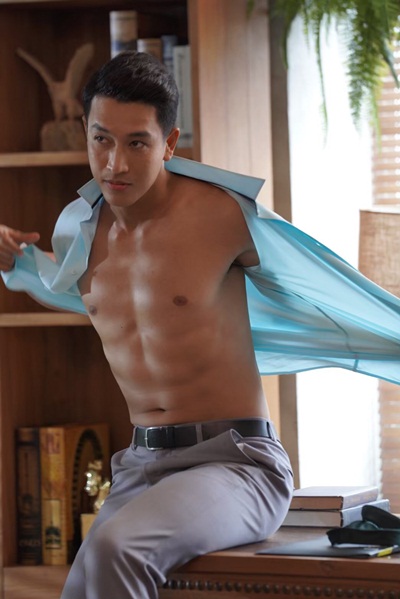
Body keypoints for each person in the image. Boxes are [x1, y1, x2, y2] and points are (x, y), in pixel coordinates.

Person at [0, 51, 399, 599]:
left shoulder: (222, 214)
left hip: (237, 464)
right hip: (139, 467)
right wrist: (17, 263)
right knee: (82, 581)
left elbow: (327, 283)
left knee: (116, 548)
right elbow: (67, 291)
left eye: (137, 143)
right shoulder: (80, 232)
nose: (115, 163)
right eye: (101, 140)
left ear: (169, 143)